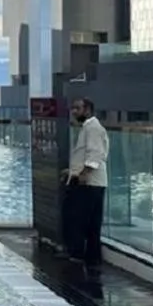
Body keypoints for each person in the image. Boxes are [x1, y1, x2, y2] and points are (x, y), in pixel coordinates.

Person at [62, 97, 109, 267]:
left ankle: (80, 255)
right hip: (90, 182)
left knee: (81, 220)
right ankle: (90, 257)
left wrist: (83, 174)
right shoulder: (88, 128)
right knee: (88, 221)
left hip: (89, 183)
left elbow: (95, 153)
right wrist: (71, 172)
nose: (74, 112)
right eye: (73, 108)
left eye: (77, 108)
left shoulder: (93, 128)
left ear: (87, 109)